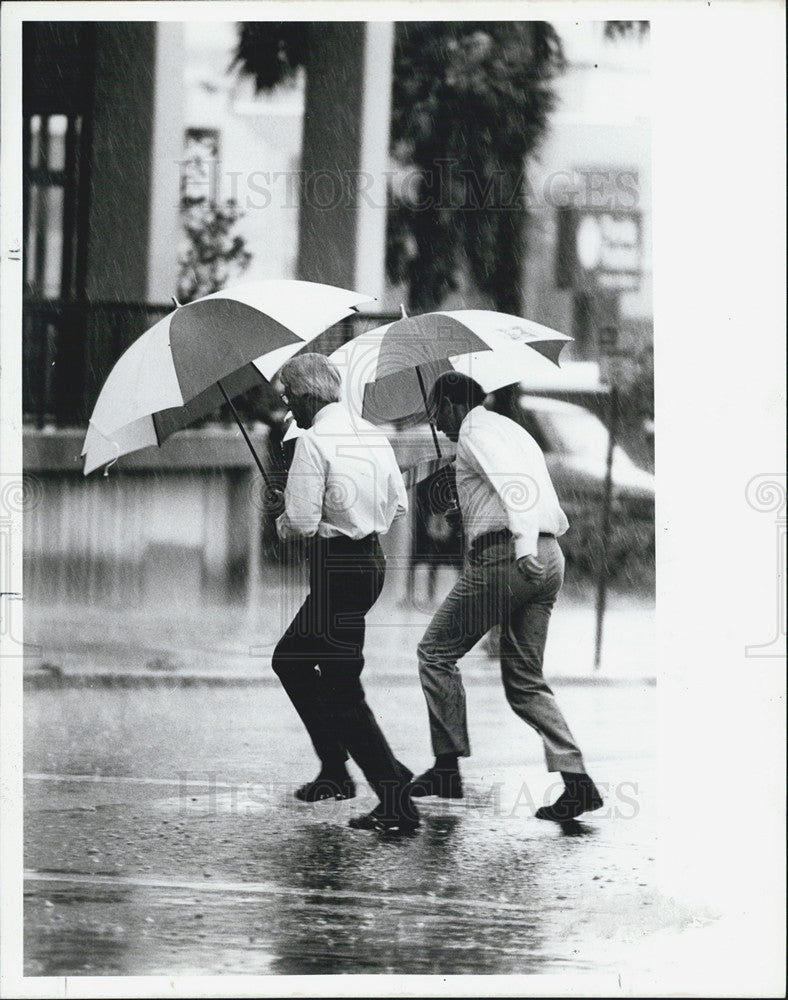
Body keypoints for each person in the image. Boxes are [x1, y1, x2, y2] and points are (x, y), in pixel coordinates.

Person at [409, 372, 603, 822]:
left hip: (511, 558)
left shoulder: (475, 431)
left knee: (435, 652)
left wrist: (520, 544)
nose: (437, 422)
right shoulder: (509, 428)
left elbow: (515, 486)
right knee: (525, 682)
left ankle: (445, 767)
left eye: (438, 410)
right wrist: (479, 516)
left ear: (457, 405)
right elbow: (522, 488)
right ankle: (577, 783)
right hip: (549, 554)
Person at [271, 353, 420, 832]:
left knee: (340, 690)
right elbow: (398, 506)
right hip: (369, 563)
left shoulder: (314, 443)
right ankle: (337, 770)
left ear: (311, 394)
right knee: (293, 659)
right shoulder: (372, 434)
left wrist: (284, 517)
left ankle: (394, 797)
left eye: (290, 395)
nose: (289, 405)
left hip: (337, 568)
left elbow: (301, 522)